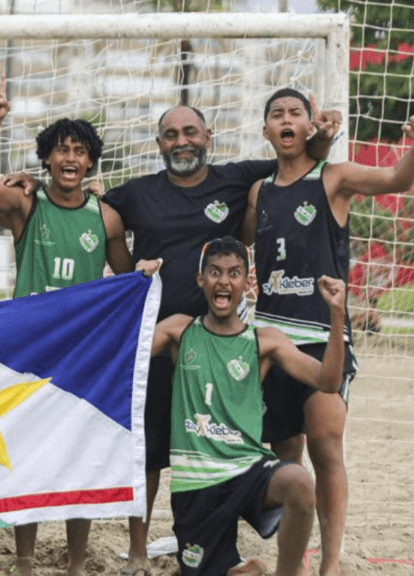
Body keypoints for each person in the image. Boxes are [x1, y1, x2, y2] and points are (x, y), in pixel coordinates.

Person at [96, 102, 337, 576]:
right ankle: (140, 548)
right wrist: (128, 275)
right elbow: (94, 214)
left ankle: (291, 551)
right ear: (159, 142)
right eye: (170, 134)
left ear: (208, 135)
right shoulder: (139, 193)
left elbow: (297, 161)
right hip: (164, 340)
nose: (181, 141)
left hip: (222, 342)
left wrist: (323, 140)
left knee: (275, 432)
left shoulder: (235, 178)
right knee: (149, 449)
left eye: (190, 132)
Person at [243, 89, 414, 576]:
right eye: (277, 114)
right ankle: (291, 563)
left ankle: (332, 564)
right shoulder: (259, 193)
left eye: (296, 112)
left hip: (322, 334)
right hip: (273, 340)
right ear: (266, 130)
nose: (286, 120)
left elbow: (397, 179)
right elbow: (244, 238)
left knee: (325, 442)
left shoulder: (333, 178)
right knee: (287, 459)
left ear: (310, 124)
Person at [0, 75, 134, 576]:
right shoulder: (28, 204)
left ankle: (77, 563)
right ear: (46, 159)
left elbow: (127, 280)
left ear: (90, 162)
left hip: (83, 357)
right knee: (31, 458)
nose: (70, 157)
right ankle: (24, 561)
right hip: (30, 351)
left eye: (80, 150)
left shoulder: (104, 217)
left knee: (80, 460)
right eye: (61, 149)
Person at [151, 236, 346, 576]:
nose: (224, 281)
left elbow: (328, 382)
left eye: (234, 273)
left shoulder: (264, 341)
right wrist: (137, 285)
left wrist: (337, 314)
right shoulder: (179, 331)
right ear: (201, 280)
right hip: (197, 482)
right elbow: (121, 353)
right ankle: (240, 571)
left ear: (246, 283)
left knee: (300, 482)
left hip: (246, 469)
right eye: (214, 272)